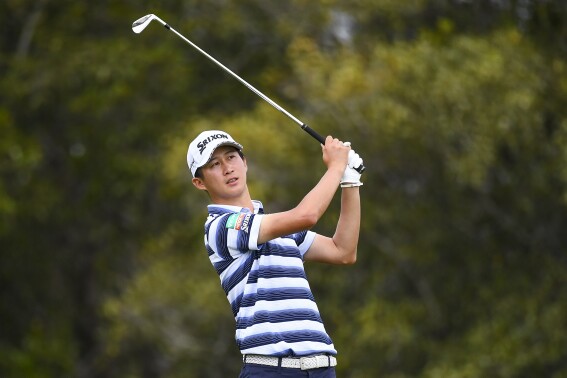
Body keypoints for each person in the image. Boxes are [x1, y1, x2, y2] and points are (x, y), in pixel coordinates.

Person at [187, 130, 363, 377]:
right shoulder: (220, 226)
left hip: (322, 368)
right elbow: (307, 216)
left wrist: (350, 181)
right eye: (215, 164)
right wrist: (335, 167)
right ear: (200, 182)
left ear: (244, 163)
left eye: (231, 157)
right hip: (270, 369)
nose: (227, 168)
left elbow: (343, 251)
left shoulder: (274, 226)